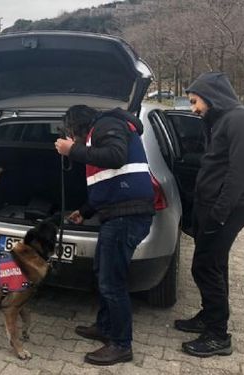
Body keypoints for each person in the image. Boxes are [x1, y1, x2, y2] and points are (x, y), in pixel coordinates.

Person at [174, 72, 244, 357]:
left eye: (195, 101)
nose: (193, 109)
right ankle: (209, 316)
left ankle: (217, 336)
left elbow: (239, 173)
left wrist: (219, 214)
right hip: (211, 206)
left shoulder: (242, 120)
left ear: (211, 95)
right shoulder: (221, 120)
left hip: (226, 209)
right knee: (215, 265)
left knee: (205, 267)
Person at [55, 105, 154, 365]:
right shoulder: (100, 130)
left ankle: (121, 345)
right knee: (103, 273)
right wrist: (85, 212)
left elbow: (116, 156)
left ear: (75, 125)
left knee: (112, 282)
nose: (70, 137)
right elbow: (108, 182)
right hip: (117, 213)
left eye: (69, 132)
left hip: (127, 217)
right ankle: (106, 327)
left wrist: (71, 151)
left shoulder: (107, 124)